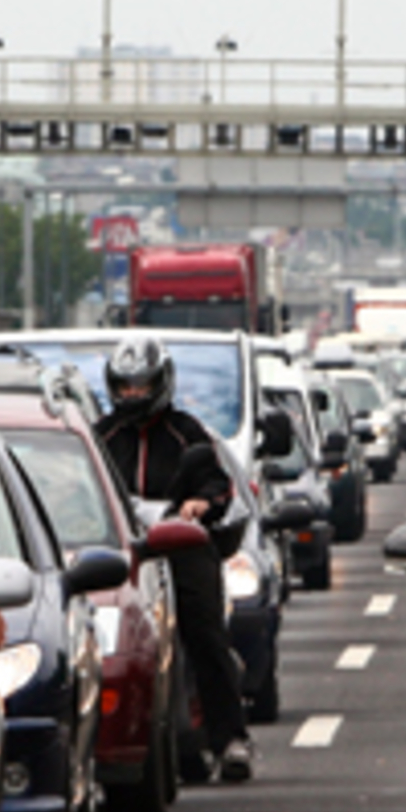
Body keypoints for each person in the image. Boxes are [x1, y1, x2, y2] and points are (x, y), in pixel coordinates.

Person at [94, 333, 254, 783]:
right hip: (118, 552)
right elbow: (74, 487)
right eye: (125, 387)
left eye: (142, 386)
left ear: (162, 383)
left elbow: (218, 485)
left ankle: (230, 740)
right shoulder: (100, 437)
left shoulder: (188, 434)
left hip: (180, 546)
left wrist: (200, 505)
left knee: (205, 633)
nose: (133, 395)